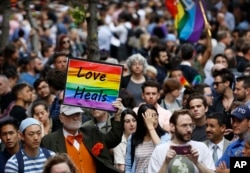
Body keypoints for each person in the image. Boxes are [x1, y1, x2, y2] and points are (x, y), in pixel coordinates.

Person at [41, 99, 124, 173]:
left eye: (78, 114)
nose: (76, 118)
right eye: (71, 115)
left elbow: (113, 139)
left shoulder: (91, 132)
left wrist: (117, 116)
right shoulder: (49, 141)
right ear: (61, 118)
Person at [148, 109, 215, 173]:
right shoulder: (160, 150)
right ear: (172, 127)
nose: (189, 129)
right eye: (184, 125)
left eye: (191, 125)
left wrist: (196, 162)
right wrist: (166, 162)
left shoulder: (201, 147)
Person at [125, 104, 170, 173]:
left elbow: (162, 153)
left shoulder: (165, 136)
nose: (153, 119)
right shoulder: (133, 137)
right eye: (149, 116)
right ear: (142, 120)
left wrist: (150, 127)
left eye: (155, 115)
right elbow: (128, 165)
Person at [216, 105, 250, 173]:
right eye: (233, 121)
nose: (234, 125)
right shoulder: (231, 146)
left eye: (239, 121)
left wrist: (226, 171)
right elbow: (216, 168)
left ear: (249, 122)